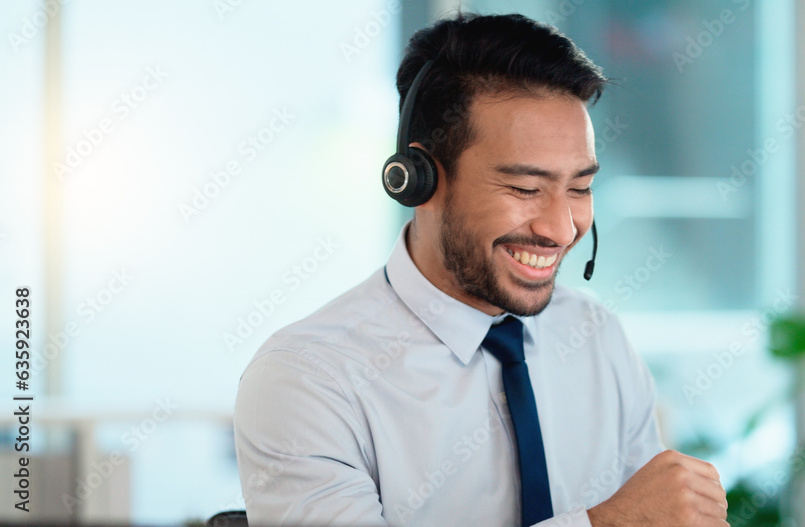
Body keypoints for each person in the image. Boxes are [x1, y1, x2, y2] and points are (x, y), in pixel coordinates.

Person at [234, 12, 729, 527]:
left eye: (579, 188)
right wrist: (603, 523)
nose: (561, 229)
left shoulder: (594, 336)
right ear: (419, 179)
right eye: (525, 189)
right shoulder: (308, 379)